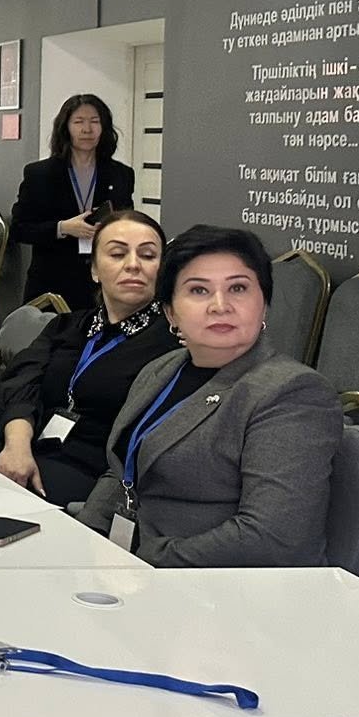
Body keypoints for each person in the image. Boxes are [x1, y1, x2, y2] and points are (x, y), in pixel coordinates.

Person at [78, 225, 340, 567]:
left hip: (216, 583)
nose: (220, 305)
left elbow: (273, 538)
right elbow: (120, 472)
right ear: (171, 312)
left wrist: (141, 560)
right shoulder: (161, 369)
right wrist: (85, 541)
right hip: (130, 563)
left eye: (238, 288)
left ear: (264, 304)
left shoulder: (291, 392)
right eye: (199, 290)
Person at [0, 213, 178, 507]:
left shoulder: (172, 343)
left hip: (98, 478)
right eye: (117, 254)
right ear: (94, 270)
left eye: (148, 255)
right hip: (26, 449)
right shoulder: (66, 327)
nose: (133, 265)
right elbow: (21, 384)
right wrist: (17, 447)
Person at [10, 94, 137, 309]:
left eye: (94, 121)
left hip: (102, 282)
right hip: (52, 282)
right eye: (79, 122)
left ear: (104, 128)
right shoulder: (40, 174)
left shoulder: (121, 174)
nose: (87, 129)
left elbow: (129, 223)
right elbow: (19, 229)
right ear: (65, 128)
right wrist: (63, 228)